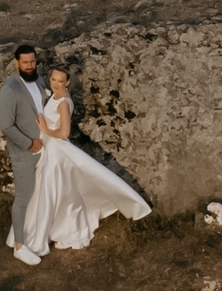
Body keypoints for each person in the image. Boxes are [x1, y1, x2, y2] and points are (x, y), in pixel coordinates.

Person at [18, 66, 151, 259]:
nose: (55, 84)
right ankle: (51, 230)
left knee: (56, 194)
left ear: (68, 83)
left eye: (60, 81)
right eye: (53, 80)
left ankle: (65, 233)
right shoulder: (54, 97)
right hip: (49, 150)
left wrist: (46, 130)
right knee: (53, 193)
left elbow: (63, 133)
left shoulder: (64, 103)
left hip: (57, 152)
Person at [0, 46, 50, 265]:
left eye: (33, 62)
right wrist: (29, 144)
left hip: (47, 147)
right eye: (25, 62)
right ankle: (19, 247)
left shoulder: (38, 81)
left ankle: (29, 235)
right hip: (25, 152)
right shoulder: (9, 89)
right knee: (23, 196)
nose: (30, 66)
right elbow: (6, 125)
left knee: (43, 194)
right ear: (16, 63)